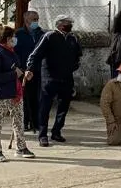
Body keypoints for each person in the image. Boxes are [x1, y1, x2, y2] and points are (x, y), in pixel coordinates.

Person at [27, 15, 82, 147]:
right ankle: (42, 134)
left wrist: (72, 67)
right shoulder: (49, 36)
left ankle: (56, 131)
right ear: (59, 25)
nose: (70, 25)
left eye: (70, 23)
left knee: (64, 106)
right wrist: (30, 68)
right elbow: (35, 54)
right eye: (67, 23)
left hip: (67, 78)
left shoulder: (73, 38)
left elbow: (78, 56)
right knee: (45, 107)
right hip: (50, 78)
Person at [0, 26, 35, 162]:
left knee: (19, 121)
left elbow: (18, 69)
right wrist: (14, 74)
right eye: (13, 37)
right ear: (7, 39)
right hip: (1, 94)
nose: (15, 39)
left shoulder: (12, 52)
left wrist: (25, 73)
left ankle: (21, 147)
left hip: (16, 92)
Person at [15, 10, 45, 132]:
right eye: (34, 19)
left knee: (37, 98)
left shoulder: (41, 34)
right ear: (27, 20)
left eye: (37, 19)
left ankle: (36, 123)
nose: (36, 22)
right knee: (23, 97)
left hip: (37, 70)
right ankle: (25, 121)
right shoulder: (18, 34)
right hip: (23, 70)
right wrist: (19, 69)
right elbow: (14, 52)